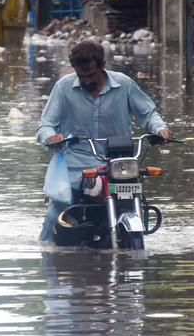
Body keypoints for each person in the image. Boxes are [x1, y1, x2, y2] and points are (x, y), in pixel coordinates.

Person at [36, 40, 172, 242]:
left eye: (92, 74)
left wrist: (160, 129)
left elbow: (148, 113)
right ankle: (46, 252)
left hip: (118, 162)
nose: (87, 80)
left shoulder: (124, 84)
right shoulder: (64, 87)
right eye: (82, 76)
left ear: (102, 65)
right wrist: (51, 137)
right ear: (75, 70)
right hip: (77, 164)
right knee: (57, 210)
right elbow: (45, 124)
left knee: (135, 198)